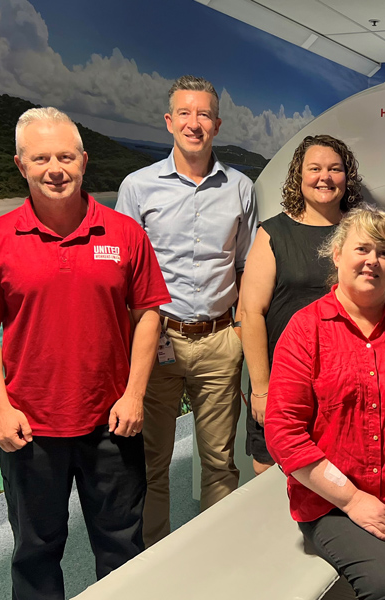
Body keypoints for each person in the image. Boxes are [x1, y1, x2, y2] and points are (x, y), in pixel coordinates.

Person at [0, 107, 170, 599]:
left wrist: (134, 395)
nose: (56, 168)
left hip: (112, 421)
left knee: (121, 547)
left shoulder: (124, 234)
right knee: (35, 549)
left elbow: (149, 316)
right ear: (21, 165)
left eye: (66, 156)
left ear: (84, 161)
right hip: (29, 427)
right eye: (42, 157)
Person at [265, 205, 385, 600]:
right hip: (332, 502)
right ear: (337, 254)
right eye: (362, 249)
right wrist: (353, 499)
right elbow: (284, 434)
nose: (373, 260)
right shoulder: (306, 329)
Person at [116, 75, 258, 546]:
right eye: (184, 113)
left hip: (220, 341)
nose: (193, 123)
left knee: (219, 461)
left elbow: (244, 268)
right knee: (151, 464)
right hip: (156, 341)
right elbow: (122, 275)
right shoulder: (137, 188)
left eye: (203, 115)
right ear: (169, 121)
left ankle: (213, 558)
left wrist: (243, 336)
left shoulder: (241, 187)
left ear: (216, 124)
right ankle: (155, 560)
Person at [238, 134, 362, 475]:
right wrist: (262, 391)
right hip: (283, 381)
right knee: (271, 483)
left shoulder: (360, 233)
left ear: (346, 177)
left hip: (343, 384)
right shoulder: (273, 233)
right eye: (315, 168)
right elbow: (250, 314)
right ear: (299, 175)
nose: (325, 177)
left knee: (338, 481)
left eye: (335, 169)